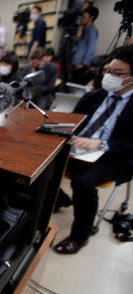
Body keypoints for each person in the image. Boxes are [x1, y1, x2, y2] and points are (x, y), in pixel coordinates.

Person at [54, 45, 133, 254]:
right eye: (107, 71)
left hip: (114, 155)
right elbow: (74, 122)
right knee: (42, 160)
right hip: (80, 146)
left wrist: (102, 144)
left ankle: (80, 236)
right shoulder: (93, 96)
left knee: (83, 181)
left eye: (118, 73)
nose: (109, 77)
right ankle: (60, 198)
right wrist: (68, 135)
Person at [71, 6, 99, 85]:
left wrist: (83, 64)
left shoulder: (92, 31)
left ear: (91, 18)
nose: (82, 18)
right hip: (76, 63)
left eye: (84, 16)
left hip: (80, 65)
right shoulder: (84, 30)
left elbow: (91, 49)